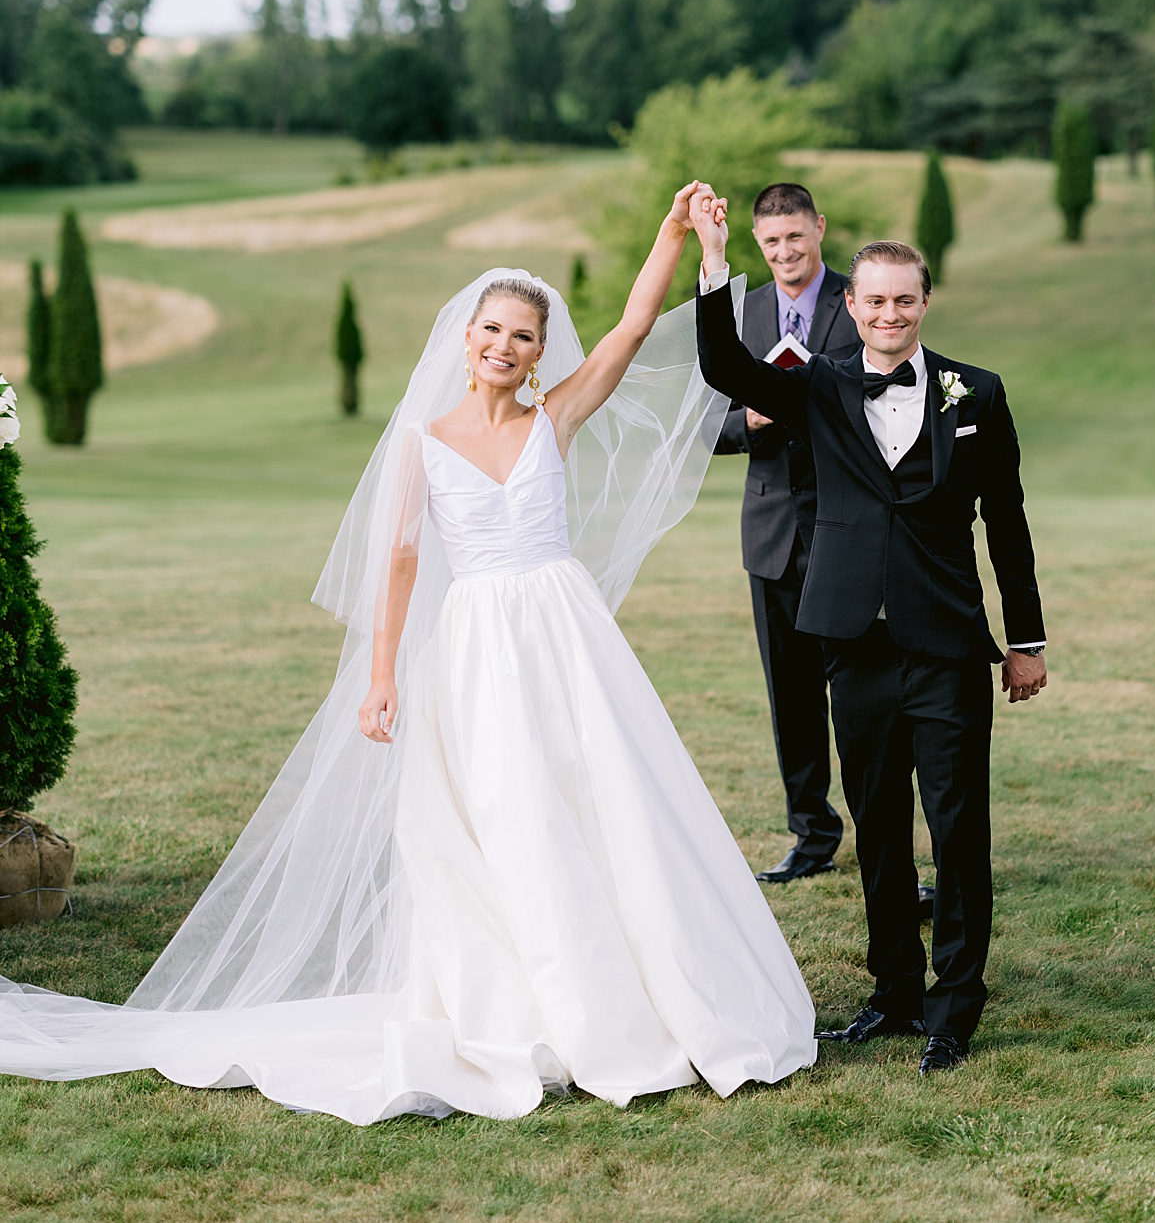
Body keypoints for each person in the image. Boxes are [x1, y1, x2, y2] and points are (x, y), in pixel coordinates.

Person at [0, 184, 815, 1124]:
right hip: (473, 650)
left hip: (566, 634)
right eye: (491, 330)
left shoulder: (556, 419)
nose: (504, 347)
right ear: (465, 337)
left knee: (605, 803)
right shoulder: (423, 444)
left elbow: (634, 328)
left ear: (541, 352)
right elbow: (398, 559)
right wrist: (382, 674)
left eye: (522, 336)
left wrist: (675, 235)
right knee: (507, 817)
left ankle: (636, 992)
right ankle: (524, 1004)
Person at [692, 201, 1047, 1077]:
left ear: (925, 303)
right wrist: (712, 257)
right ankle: (893, 992)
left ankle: (954, 1004)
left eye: (905, 301)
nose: (889, 314)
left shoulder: (978, 392)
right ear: (852, 308)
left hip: (948, 647)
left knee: (958, 829)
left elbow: (1007, 519)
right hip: (852, 643)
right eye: (876, 302)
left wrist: (1026, 639)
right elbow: (723, 364)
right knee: (880, 826)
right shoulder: (818, 385)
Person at [713, 183, 861, 883]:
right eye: (771, 243)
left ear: (818, 229)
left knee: (864, 695)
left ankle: (881, 834)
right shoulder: (739, 315)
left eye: (795, 238)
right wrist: (749, 422)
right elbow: (705, 423)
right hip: (771, 534)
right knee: (791, 697)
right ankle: (812, 834)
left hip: (848, 529)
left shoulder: (863, 298)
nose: (784, 253)